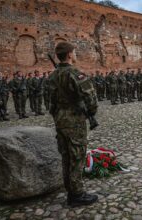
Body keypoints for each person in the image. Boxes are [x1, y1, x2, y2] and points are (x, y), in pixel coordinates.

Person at [49, 42, 98, 207]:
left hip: (60, 119)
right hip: (74, 120)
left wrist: (58, 113)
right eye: (74, 52)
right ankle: (77, 194)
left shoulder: (52, 76)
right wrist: (90, 112)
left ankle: (70, 190)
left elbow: (48, 101)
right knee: (77, 156)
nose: (75, 55)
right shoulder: (75, 74)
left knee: (66, 156)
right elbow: (90, 97)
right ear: (69, 54)